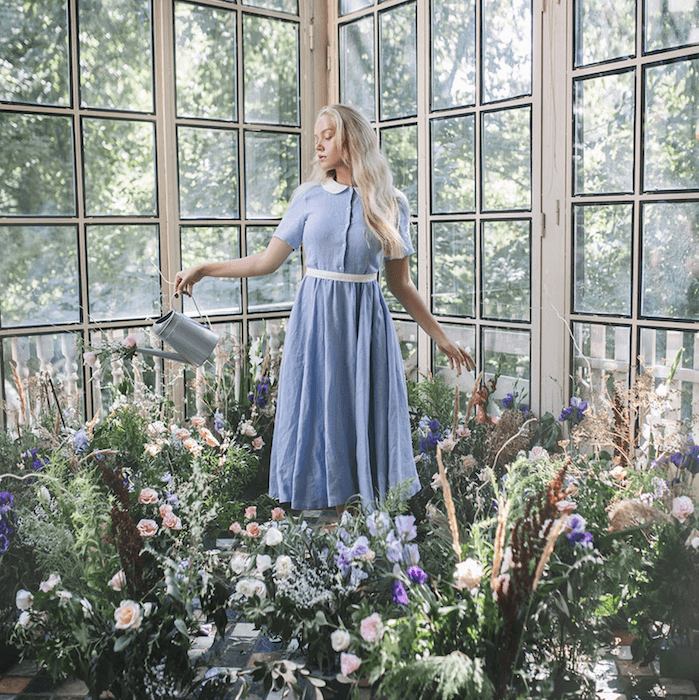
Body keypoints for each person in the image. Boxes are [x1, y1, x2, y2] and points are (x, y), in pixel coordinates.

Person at [174, 104, 474, 514]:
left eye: (327, 135)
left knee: (362, 415)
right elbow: (265, 262)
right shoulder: (309, 198)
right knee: (319, 411)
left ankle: (365, 525)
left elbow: (401, 284)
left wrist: (441, 337)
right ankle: (322, 517)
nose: (317, 143)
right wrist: (207, 268)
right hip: (315, 325)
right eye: (316, 135)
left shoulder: (391, 202)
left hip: (365, 327)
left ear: (351, 138)